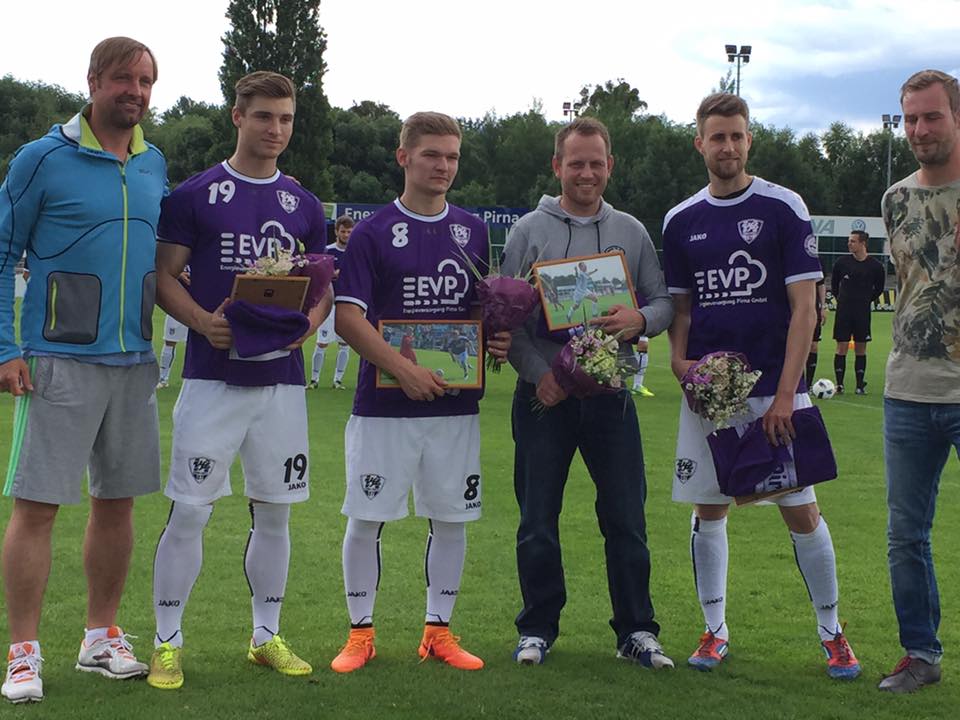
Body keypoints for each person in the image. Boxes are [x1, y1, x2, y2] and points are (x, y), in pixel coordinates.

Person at [662, 93, 860, 679]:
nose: (727, 146)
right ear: (699, 143)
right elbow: (683, 309)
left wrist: (783, 395)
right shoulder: (680, 220)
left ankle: (833, 633)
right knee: (710, 507)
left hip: (778, 389)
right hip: (711, 395)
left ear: (750, 141)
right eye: (716, 137)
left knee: (801, 511)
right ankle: (714, 629)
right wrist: (679, 364)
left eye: (736, 136)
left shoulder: (782, 206)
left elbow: (806, 310)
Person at [146, 71, 331, 691]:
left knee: (276, 515)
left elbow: (322, 286)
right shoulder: (195, 195)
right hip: (212, 381)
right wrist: (202, 322)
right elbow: (164, 275)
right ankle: (167, 643)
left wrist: (308, 324)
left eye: (284, 118)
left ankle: (266, 636)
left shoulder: (303, 204)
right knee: (191, 513)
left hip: (281, 385)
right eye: (263, 117)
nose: (275, 129)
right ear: (237, 117)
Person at [0, 37, 167, 704]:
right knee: (37, 507)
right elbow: (3, 246)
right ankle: (22, 654)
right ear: (94, 80)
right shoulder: (43, 158)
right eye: (124, 78)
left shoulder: (154, 162)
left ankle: (100, 638)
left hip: (134, 362)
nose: (136, 90)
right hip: (58, 359)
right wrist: (5, 348)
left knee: (117, 505)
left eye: (147, 80)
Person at [329, 111, 510, 674]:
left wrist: (494, 336)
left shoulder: (473, 230)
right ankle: (360, 633)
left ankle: (439, 630)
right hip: (384, 404)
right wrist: (401, 369)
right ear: (403, 157)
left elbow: (477, 308)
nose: (444, 166)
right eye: (432, 154)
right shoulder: (373, 232)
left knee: (452, 517)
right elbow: (347, 319)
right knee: (366, 517)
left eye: (452, 156)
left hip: (454, 405)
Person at [500, 116, 674, 668]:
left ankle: (636, 631)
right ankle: (537, 629)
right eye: (576, 162)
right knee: (537, 520)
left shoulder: (631, 231)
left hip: (611, 398)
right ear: (557, 166)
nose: (587, 173)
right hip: (543, 399)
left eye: (596, 163)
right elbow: (509, 325)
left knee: (626, 517)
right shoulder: (529, 230)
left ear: (610, 166)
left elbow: (664, 303)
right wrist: (540, 375)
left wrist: (640, 319)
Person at [878, 69, 960, 694]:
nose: (919, 130)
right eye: (910, 118)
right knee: (906, 535)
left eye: (931, 117)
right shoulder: (895, 199)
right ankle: (920, 656)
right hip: (907, 390)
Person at [831, 231, 885, 395]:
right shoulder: (841, 263)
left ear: (863, 243)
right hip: (844, 311)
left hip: (862, 312)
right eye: (849, 241)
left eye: (853, 241)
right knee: (842, 347)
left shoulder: (875, 266)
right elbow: (834, 286)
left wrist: (864, 300)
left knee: (861, 348)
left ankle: (860, 385)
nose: (849, 244)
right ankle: (839, 385)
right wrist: (843, 300)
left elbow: (879, 289)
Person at [309, 215, 353, 389]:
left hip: (346, 304)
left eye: (349, 232)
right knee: (322, 342)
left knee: (344, 343)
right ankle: (314, 380)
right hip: (328, 303)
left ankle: (338, 380)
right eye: (343, 231)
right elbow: (318, 274)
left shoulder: (355, 252)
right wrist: (331, 274)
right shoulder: (327, 251)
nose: (346, 235)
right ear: (336, 232)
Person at [157, 269, 191, 389]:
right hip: (176, 306)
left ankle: (190, 380)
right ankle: (163, 378)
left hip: (197, 306)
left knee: (193, 344)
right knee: (169, 342)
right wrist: (178, 273)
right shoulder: (176, 256)